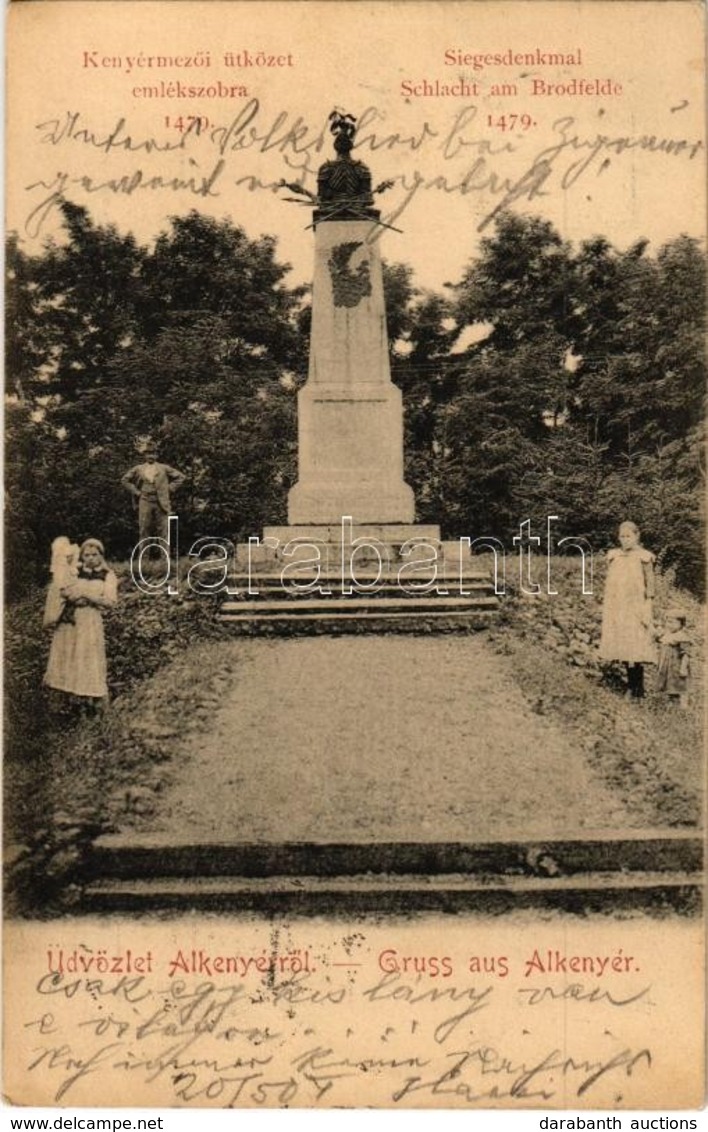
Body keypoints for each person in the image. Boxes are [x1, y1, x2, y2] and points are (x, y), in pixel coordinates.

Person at [43, 538, 118, 710]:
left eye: (94, 554)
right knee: (69, 656)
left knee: (88, 657)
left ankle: (93, 701)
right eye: (87, 555)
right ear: (82, 556)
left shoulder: (108, 575)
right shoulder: (74, 571)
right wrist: (72, 595)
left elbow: (110, 602)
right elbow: (61, 588)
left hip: (90, 621)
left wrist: (88, 596)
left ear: (101, 556)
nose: (91, 558)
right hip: (71, 621)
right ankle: (69, 702)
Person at [599, 520, 656, 699]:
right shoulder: (614, 555)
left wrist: (647, 607)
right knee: (623, 645)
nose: (625, 540)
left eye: (628, 536)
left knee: (635, 646)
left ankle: (637, 687)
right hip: (617, 608)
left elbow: (650, 586)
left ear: (637, 536)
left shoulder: (644, 557)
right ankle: (632, 687)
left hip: (636, 607)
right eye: (622, 536)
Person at [121, 446, 185, 543]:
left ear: (157, 455)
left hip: (161, 502)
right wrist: (137, 492)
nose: (151, 456)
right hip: (145, 500)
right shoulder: (139, 468)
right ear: (145, 455)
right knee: (144, 530)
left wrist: (169, 489)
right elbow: (124, 480)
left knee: (163, 531)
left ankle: (165, 558)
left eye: (153, 453)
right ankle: (144, 557)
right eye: (148, 454)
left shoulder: (164, 468)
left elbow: (180, 477)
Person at [654, 608, 691, 707]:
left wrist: (683, 667)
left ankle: (683, 703)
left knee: (680, 683)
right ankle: (671, 701)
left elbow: (686, 653)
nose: (669, 625)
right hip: (667, 665)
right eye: (667, 622)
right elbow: (658, 639)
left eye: (672, 623)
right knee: (670, 682)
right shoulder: (667, 634)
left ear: (681, 624)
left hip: (677, 665)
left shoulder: (682, 637)